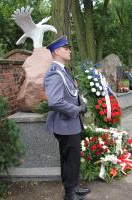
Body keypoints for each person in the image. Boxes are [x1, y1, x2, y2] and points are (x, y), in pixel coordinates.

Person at [44, 36, 90, 200]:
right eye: (66, 48)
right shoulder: (55, 73)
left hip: (69, 124)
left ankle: (73, 187)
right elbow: (55, 101)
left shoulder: (63, 71)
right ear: (56, 51)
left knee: (72, 159)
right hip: (65, 124)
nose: (69, 50)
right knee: (70, 159)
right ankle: (70, 194)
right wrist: (78, 109)